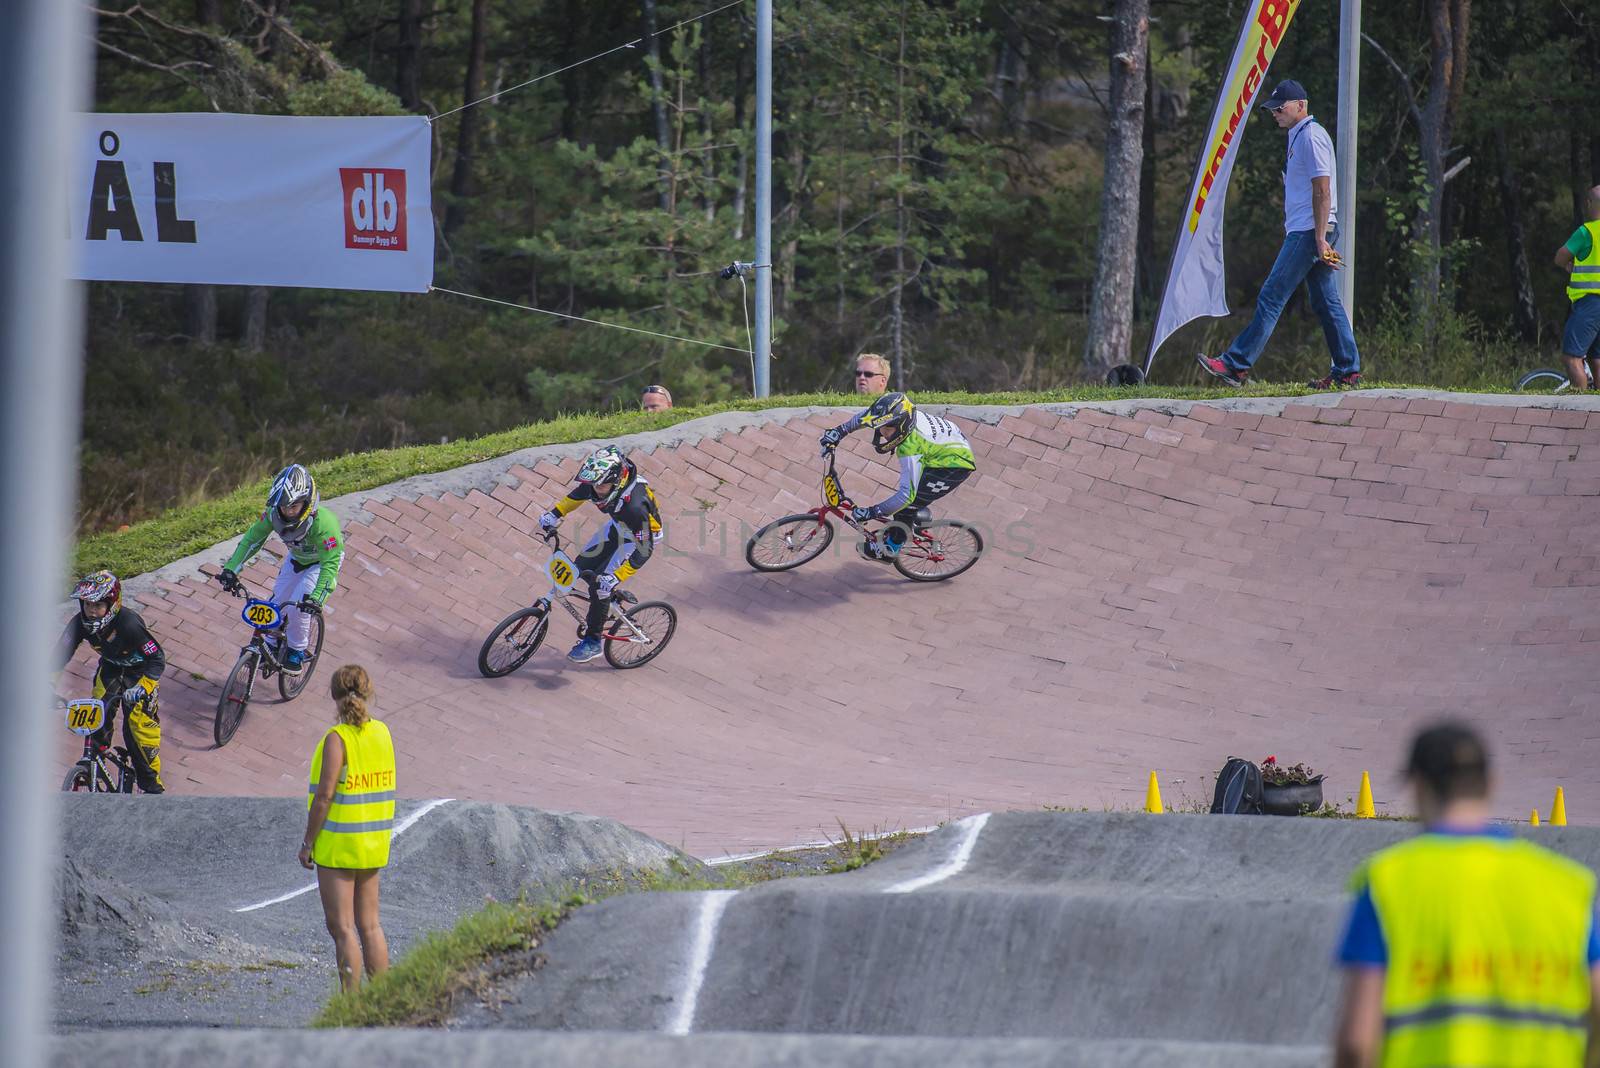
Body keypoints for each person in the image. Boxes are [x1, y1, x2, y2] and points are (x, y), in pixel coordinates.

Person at [1333, 722, 1600, 1068]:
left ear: (1417, 786)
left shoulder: (1387, 882)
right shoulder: (1567, 885)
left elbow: (1357, 1041)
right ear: (1491, 784)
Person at [1197, 78, 1361, 390]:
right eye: (1273, 108)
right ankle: (1347, 370)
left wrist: (1319, 238)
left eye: (1280, 107)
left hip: (1309, 231)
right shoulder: (1298, 136)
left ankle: (1235, 365)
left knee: (1272, 296)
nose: (1275, 112)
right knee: (1326, 301)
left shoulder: (1311, 137)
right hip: (1311, 229)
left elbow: (1323, 190)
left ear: (1302, 105)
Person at [300, 664, 394, 993]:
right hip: (372, 842)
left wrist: (308, 842)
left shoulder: (336, 740)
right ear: (368, 692)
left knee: (342, 928)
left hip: (339, 846)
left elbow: (324, 797)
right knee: (370, 925)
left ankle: (350, 1006)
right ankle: (384, 1000)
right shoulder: (382, 733)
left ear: (334, 696)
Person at [538, 445, 663, 663]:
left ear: (618, 481)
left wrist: (616, 577)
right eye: (594, 484)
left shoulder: (633, 506)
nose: (596, 490)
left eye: (601, 486)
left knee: (600, 587)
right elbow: (580, 493)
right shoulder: (602, 482)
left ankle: (593, 641)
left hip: (638, 537)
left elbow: (645, 549)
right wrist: (554, 514)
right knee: (579, 568)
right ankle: (610, 598)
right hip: (618, 526)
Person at [818, 392, 977, 561]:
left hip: (954, 466)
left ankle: (890, 548)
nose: (882, 432)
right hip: (943, 446)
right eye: (881, 427)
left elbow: (906, 495)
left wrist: (873, 511)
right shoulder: (900, 415)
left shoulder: (910, 448)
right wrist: (840, 431)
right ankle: (915, 517)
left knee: (907, 505)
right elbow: (865, 418)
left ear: (901, 426)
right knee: (909, 499)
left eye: (888, 428)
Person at [218, 464, 343, 671]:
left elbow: (330, 565)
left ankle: (297, 650)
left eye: (293, 507)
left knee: (298, 608)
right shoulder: (273, 514)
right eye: (284, 507)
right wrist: (231, 569)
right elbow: (252, 540)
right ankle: (271, 644)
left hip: (321, 564)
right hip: (296, 560)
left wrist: (317, 598)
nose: (288, 512)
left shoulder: (325, 525)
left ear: (307, 503)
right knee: (276, 603)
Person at [56, 570, 166, 793]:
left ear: (112, 604)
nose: (91, 612)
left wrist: (142, 687)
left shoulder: (129, 624)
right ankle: (94, 764)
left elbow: (157, 658)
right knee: (98, 713)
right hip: (111, 669)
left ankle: (152, 787)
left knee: (137, 729)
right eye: (86, 605)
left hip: (140, 674)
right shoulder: (79, 623)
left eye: (97, 606)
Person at [1556, 185, 1600, 391]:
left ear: (1590, 204)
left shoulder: (1587, 232)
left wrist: (1569, 265)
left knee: (1572, 357)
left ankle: (1580, 411)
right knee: (1597, 359)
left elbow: (1560, 256)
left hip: (1590, 303)